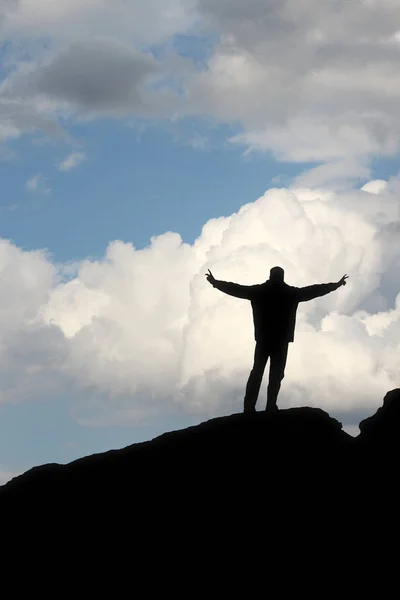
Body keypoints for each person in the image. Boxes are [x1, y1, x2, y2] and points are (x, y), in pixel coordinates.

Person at [206, 266, 349, 412]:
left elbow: (236, 289)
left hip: (264, 340)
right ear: (282, 276)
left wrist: (215, 283)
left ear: (270, 275)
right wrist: (335, 285)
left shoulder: (259, 291)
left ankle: (251, 407)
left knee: (259, 372)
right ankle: (270, 405)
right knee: (275, 374)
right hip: (280, 340)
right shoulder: (290, 293)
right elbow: (314, 290)